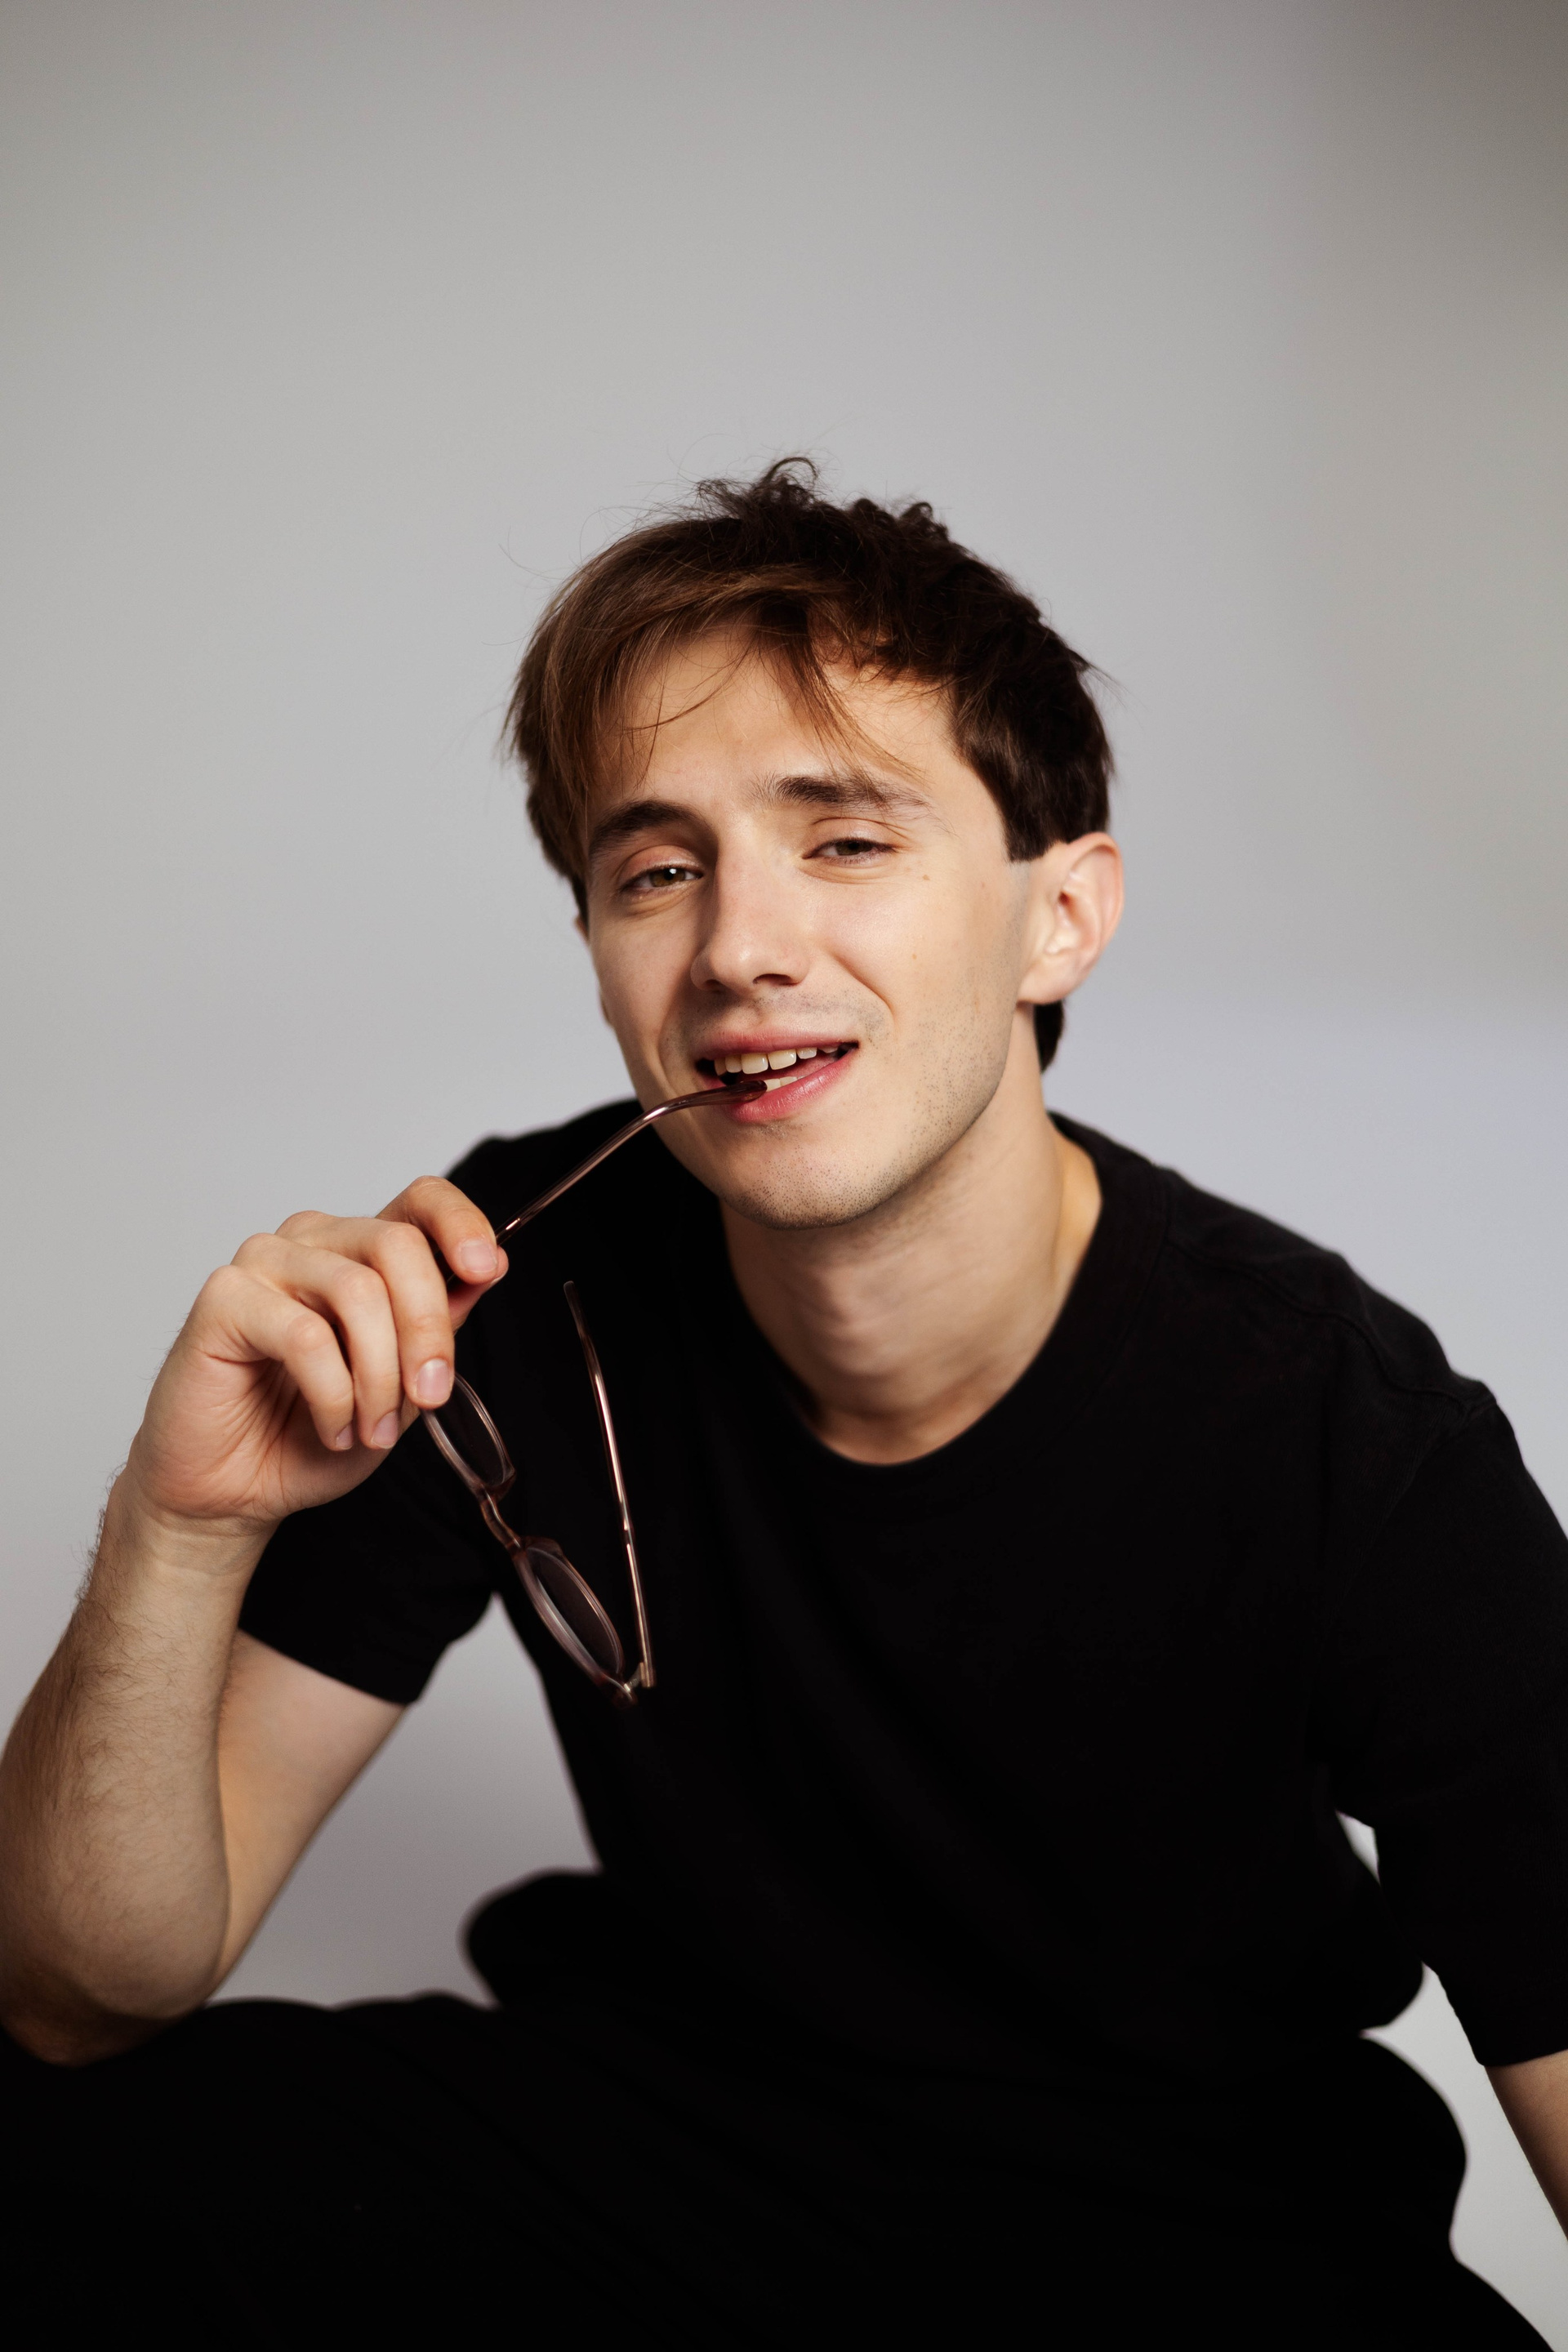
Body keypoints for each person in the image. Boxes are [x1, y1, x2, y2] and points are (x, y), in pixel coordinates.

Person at [2, 465, 1564, 2349]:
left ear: (1060, 919)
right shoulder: (502, 1291)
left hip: (1203, 2233)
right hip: (684, 2156)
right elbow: (78, 1997)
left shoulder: (1351, 1440)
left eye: (845, 841)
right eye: (657, 869)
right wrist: (183, 1527)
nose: (739, 948)